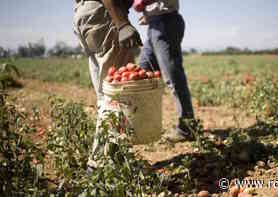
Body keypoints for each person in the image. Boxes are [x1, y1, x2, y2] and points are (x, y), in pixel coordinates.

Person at [73, 0, 142, 169]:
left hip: (86, 14)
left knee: (106, 96)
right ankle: (101, 164)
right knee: (117, 96)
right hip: (106, 14)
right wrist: (122, 23)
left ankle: (112, 158)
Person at [134, 0, 196, 142]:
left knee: (173, 77)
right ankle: (145, 126)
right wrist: (149, 14)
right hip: (154, 24)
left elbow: (141, 3)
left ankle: (187, 128)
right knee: (143, 74)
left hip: (166, 23)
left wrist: (142, 2)